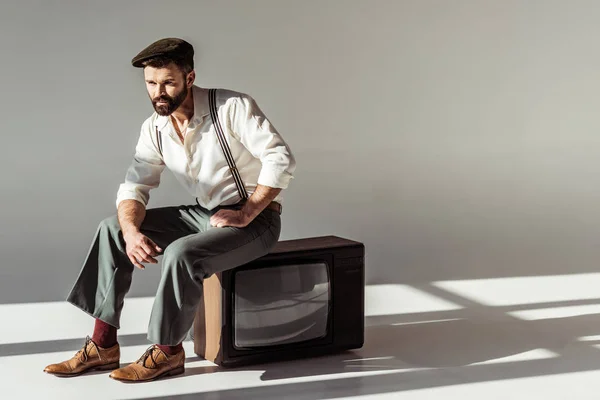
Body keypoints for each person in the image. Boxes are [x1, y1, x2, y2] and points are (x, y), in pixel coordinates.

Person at [43, 37, 296, 382]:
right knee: (112, 229)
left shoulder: (230, 107)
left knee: (181, 253)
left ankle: (167, 352)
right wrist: (132, 233)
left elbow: (280, 158)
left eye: (167, 82)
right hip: (204, 214)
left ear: (189, 78)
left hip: (256, 221)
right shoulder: (155, 128)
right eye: (150, 83)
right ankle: (103, 345)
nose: (158, 92)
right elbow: (135, 185)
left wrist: (247, 212)